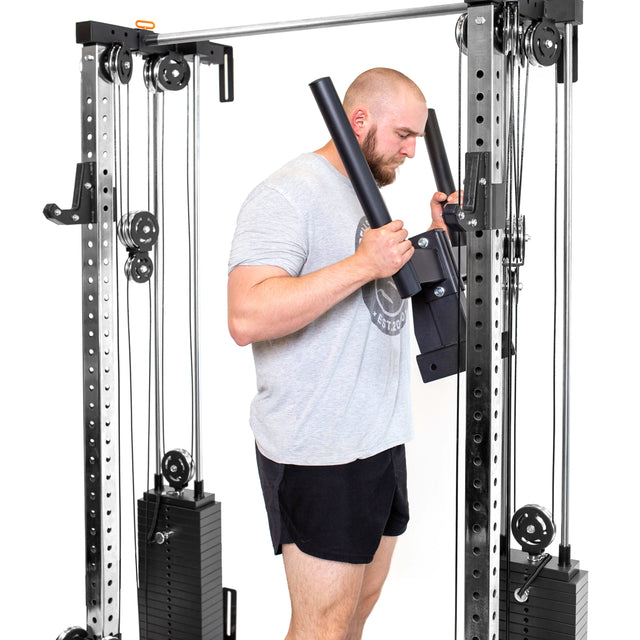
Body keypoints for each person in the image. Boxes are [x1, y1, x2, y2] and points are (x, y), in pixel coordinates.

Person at [227, 67, 455, 640]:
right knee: (322, 623)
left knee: (357, 609)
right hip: (318, 448)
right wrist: (362, 264)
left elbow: (381, 293)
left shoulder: (362, 191)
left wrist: (439, 237)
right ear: (359, 120)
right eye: (403, 134)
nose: (410, 150)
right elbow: (245, 315)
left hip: (377, 437)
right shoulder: (288, 192)